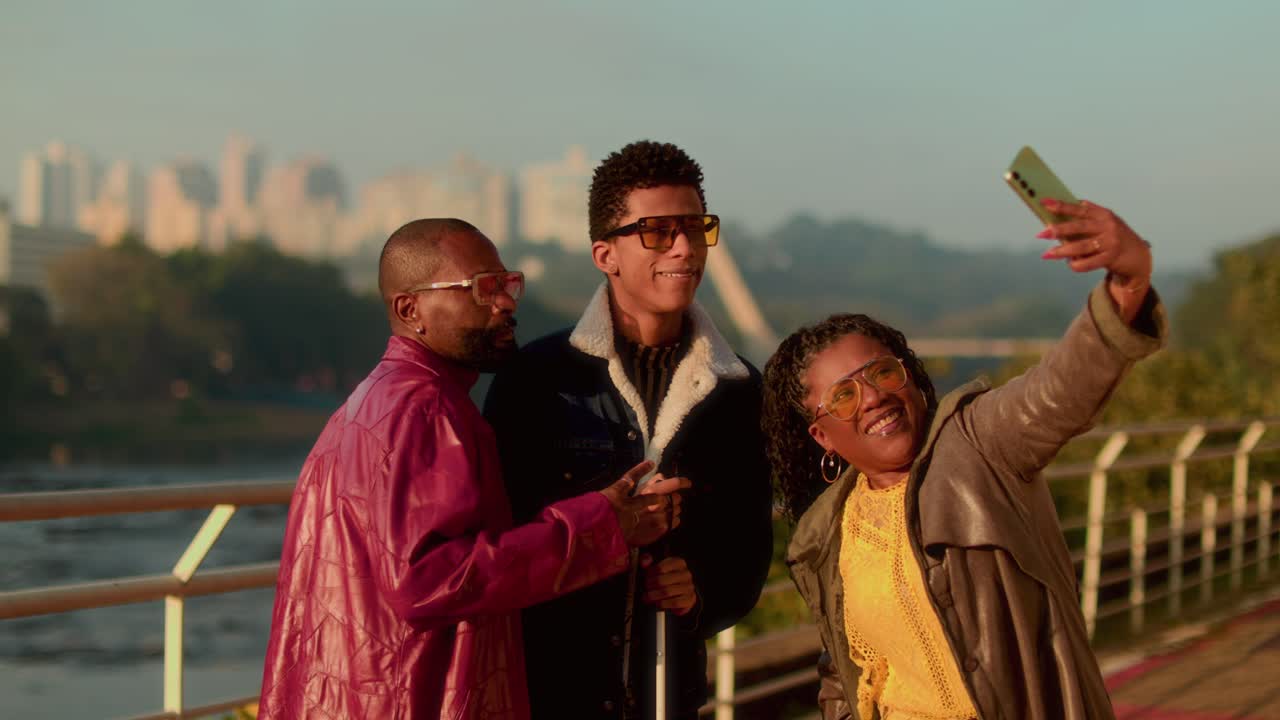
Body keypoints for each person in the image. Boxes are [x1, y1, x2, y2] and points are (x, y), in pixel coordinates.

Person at [257, 218, 688, 720]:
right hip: (409, 696)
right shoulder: (423, 409)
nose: (506, 302)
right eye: (481, 288)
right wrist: (603, 526)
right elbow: (428, 579)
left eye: (507, 283)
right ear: (409, 308)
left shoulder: (373, 403)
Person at [762, 198, 1165, 720]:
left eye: (882, 373)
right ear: (823, 436)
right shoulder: (826, 535)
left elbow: (1059, 389)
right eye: (844, 396)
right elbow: (845, 673)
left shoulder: (979, 444)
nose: (874, 398)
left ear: (908, 375)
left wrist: (1127, 286)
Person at [484, 141, 774, 718]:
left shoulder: (738, 389)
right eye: (658, 232)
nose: (685, 249)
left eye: (695, 228)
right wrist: (605, 527)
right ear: (604, 254)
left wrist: (701, 596)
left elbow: (747, 546)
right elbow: (498, 542)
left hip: (671, 693)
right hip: (551, 691)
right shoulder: (536, 381)